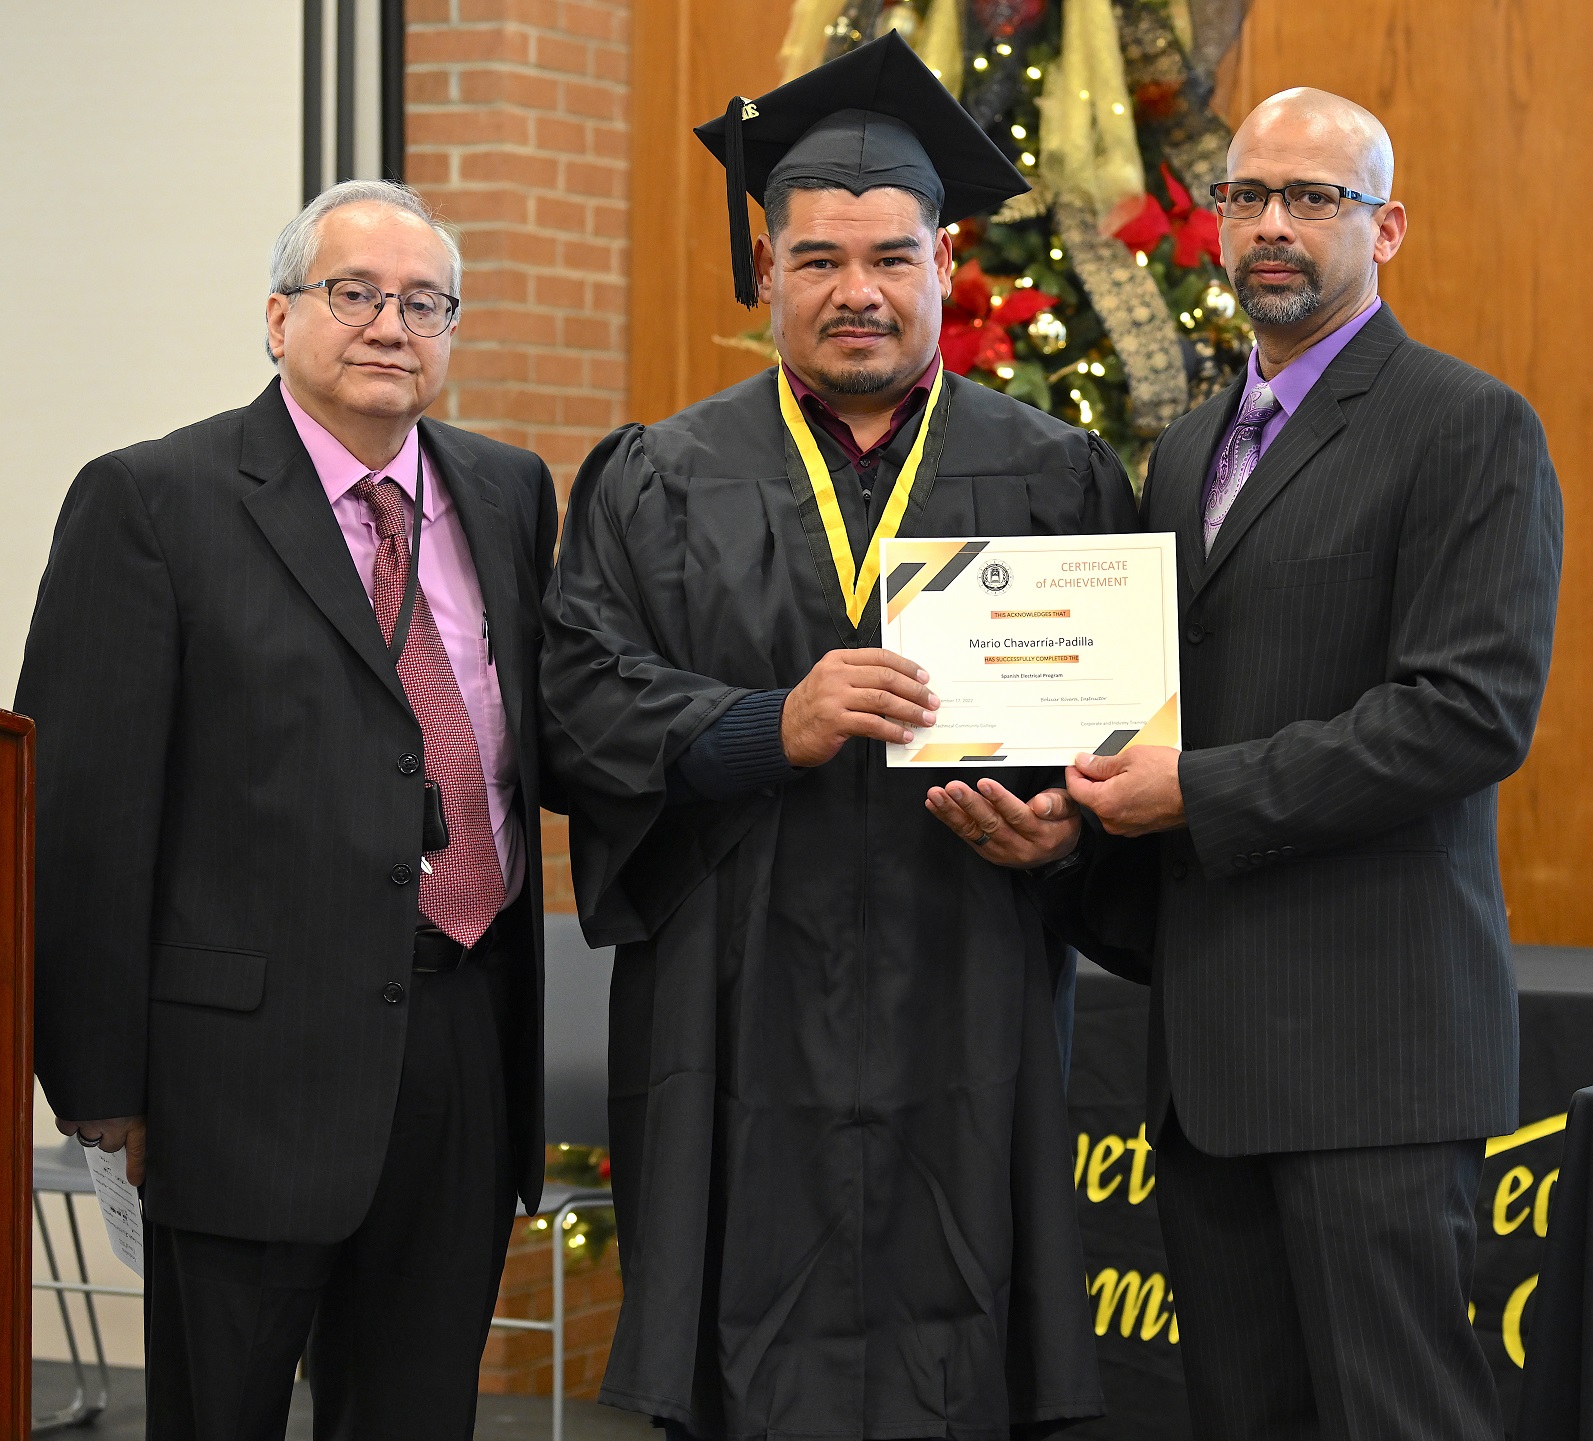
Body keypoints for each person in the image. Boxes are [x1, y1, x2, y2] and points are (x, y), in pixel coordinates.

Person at [932, 89, 1564, 1440]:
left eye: (1314, 198)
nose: (1272, 224)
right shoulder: (1184, 451)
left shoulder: (1469, 427)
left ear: (1384, 226)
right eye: (1247, 196)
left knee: (1401, 1418)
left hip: (1372, 1063)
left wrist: (1193, 796)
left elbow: (1465, 716)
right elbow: (1161, 713)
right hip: (1208, 1060)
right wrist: (1074, 826)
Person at [540, 32, 1134, 1441]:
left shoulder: (1056, 476)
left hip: (968, 971)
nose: (855, 292)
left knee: (968, 1332)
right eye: (817, 260)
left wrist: (1072, 821)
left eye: (889, 257)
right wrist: (767, 721)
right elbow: (577, 696)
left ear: (944, 265)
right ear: (767, 267)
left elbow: (1126, 727)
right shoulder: (661, 476)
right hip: (735, 993)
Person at [16, 179, 560, 1441]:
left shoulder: (507, 492)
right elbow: (83, 817)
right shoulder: (153, 501)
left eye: (423, 301)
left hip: (464, 1036)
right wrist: (99, 1086)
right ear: (276, 318)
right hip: (238, 1078)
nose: (389, 324)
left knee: (418, 1412)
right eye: (353, 292)